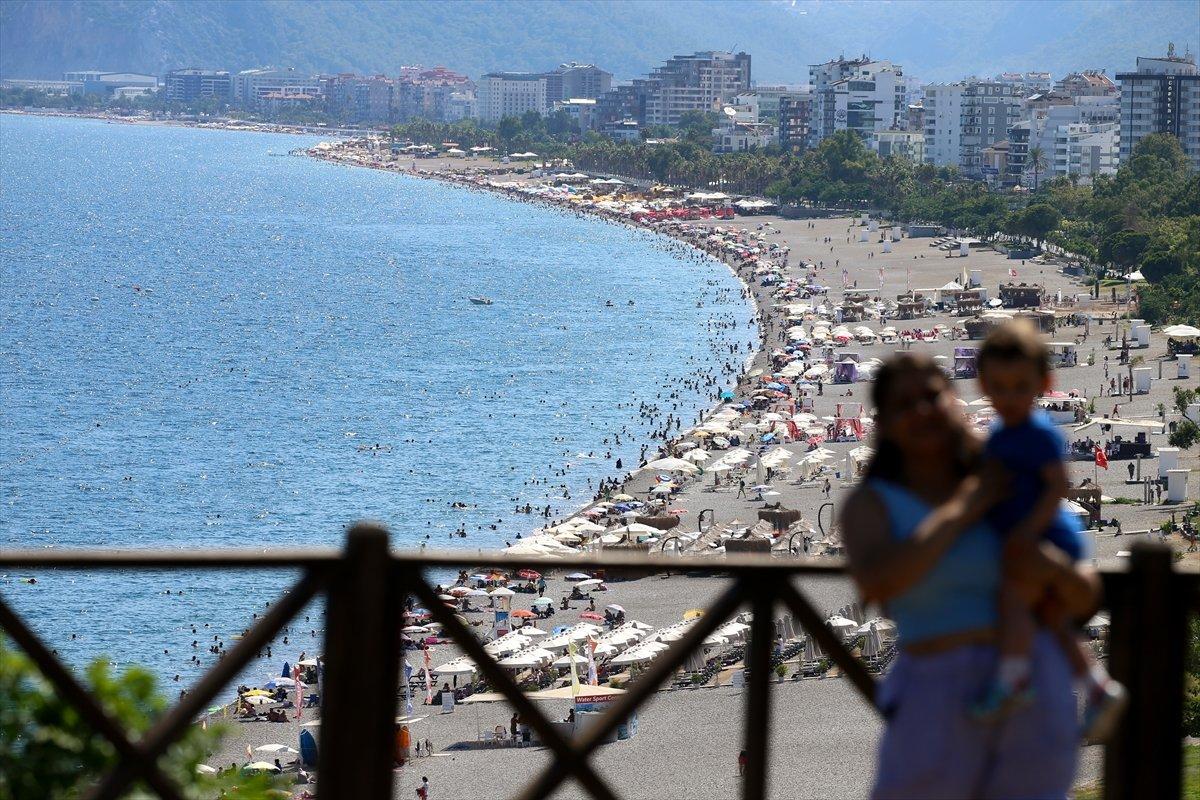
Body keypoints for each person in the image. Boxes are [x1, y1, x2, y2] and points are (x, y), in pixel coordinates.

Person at [840, 352, 1101, 798]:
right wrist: (966, 506)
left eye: (931, 395)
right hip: (934, 691)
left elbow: (1084, 595)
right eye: (904, 403)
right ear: (883, 422)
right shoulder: (870, 505)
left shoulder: (1006, 475)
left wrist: (1044, 563)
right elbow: (879, 583)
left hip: (1032, 688)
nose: (921, 410)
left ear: (955, 399)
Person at [973, 323, 1125, 733]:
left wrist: (1024, 532)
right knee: (1052, 619)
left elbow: (1058, 486)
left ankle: (1012, 680)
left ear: (1043, 383)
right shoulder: (1000, 432)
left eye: (1019, 387)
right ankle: (1096, 686)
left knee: (1013, 599)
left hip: (1047, 537)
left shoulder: (1037, 432)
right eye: (999, 387)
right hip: (1035, 535)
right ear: (984, 385)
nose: (1009, 397)